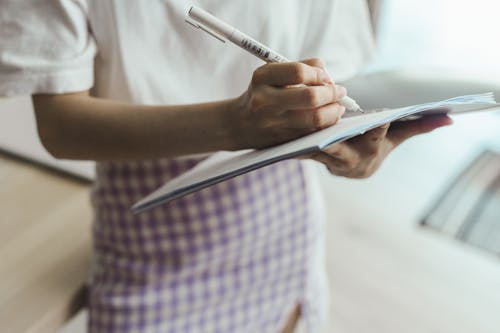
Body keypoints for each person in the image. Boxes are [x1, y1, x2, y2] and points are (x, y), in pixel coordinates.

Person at [0, 1, 451, 332]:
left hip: (283, 235)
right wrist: (234, 124)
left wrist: (354, 150)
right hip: (152, 257)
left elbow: (336, 82)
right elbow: (62, 127)